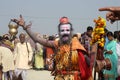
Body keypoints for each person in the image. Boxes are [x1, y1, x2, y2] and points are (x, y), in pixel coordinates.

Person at [12, 15, 93, 80]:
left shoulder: (77, 45)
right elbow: (37, 39)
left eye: (67, 30)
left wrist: (89, 59)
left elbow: (87, 66)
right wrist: (25, 27)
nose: (65, 32)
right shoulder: (56, 44)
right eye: (62, 30)